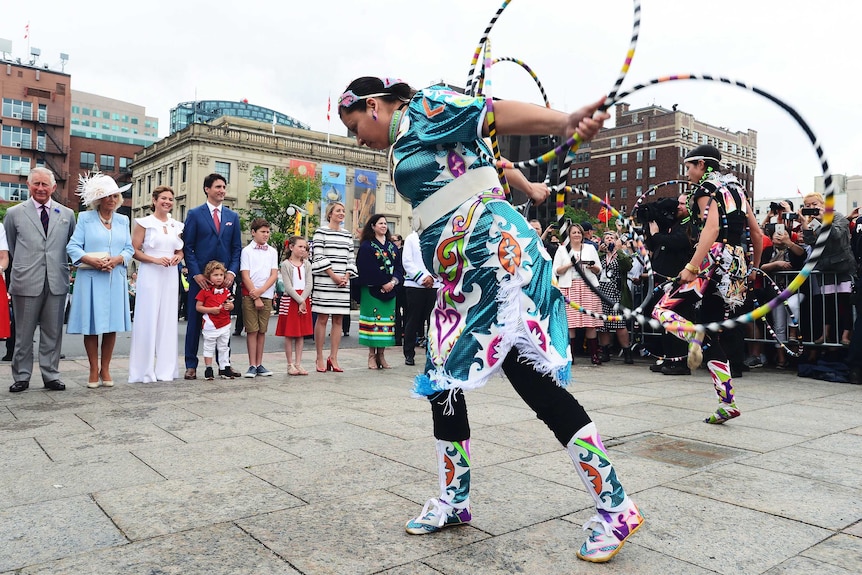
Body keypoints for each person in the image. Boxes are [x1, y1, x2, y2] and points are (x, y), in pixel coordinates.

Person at [338, 76, 642, 563]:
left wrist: (564, 122)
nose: (358, 139)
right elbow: (490, 161)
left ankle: (616, 506)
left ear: (372, 106)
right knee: (441, 382)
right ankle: (454, 500)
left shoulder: (426, 107)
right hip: (461, 276)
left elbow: (492, 113)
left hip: (494, 263)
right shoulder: (408, 139)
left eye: (355, 127)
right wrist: (531, 186)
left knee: (535, 386)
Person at [652, 144, 762, 424]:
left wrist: (691, 267)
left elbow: (711, 229)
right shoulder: (737, 190)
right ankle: (727, 402)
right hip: (736, 265)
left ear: (702, 164)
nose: (687, 172)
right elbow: (757, 234)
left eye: (689, 166)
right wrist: (754, 269)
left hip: (713, 261)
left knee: (662, 310)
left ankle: (695, 337)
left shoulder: (707, 189)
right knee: (714, 333)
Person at [5, 168, 76, 392]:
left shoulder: (67, 214)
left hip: (56, 280)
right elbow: (10, 247)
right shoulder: (14, 213)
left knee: (53, 332)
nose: (41, 189)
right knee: (23, 334)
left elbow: (70, 245)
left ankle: (51, 374)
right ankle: (22, 376)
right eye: (36, 184)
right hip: (26, 280)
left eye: (45, 184)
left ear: (54, 188)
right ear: (29, 185)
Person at [66, 172, 134, 388]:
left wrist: (118, 259)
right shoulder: (85, 218)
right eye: (107, 196)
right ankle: (93, 369)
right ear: (98, 199)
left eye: (115, 196)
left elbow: (129, 248)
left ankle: (106, 368)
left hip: (115, 277)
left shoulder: (123, 220)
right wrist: (91, 260)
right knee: (92, 325)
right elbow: (73, 246)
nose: (112, 200)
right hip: (92, 278)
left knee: (112, 325)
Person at [183, 173, 243, 380]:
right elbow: (187, 247)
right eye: (218, 187)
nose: (222, 190)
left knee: (223, 321)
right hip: (200, 279)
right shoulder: (194, 214)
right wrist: (196, 274)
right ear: (207, 189)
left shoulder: (232, 217)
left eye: (224, 187)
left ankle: (224, 364)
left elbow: (237, 248)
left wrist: (232, 273)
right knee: (195, 321)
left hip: (224, 280)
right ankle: (191, 365)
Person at [128, 185, 185, 383]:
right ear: (154, 200)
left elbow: (179, 249)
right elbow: (134, 250)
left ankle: (166, 370)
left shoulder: (176, 225)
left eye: (170, 199)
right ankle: (143, 371)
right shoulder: (143, 223)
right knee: (147, 318)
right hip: (150, 272)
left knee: (168, 319)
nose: (167, 202)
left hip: (170, 274)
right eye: (163, 198)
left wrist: (178, 257)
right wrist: (154, 260)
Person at [642, 194, 693, 375]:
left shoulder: (690, 224)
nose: (678, 207)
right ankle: (667, 357)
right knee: (664, 321)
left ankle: (679, 362)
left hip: (679, 280)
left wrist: (657, 235)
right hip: (664, 280)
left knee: (676, 320)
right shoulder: (673, 224)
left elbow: (677, 242)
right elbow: (653, 243)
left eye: (682, 203)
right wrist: (651, 228)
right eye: (677, 203)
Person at [798, 192, 855, 347]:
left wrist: (824, 220)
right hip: (826, 267)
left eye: (815, 204)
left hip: (843, 266)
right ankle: (825, 334)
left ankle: (846, 334)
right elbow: (811, 242)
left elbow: (836, 235)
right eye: (808, 205)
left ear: (823, 204)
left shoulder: (838, 217)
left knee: (845, 302)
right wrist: (804, 224)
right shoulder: (813, 222)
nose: (812, 208)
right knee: (828, 303)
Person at [311, 201, 357, 373]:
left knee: (338, 319)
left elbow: (351, 258)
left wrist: (345, 276)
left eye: (343, 211)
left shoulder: (347, 235)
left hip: (343, 283)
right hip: (326, 281)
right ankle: (319, 357)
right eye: (338, 210)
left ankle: (334, 357)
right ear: (330, 213)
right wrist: (333, 276)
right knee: (322, 318)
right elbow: (318, 256)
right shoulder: (320, 232)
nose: (341, 213)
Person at [356, 214, 404, 369]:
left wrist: (393, 282)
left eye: (385, 223)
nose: (384, 226)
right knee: (373, 321)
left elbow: (398, 267)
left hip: (390, 289)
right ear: (373, 226)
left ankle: (381, 355)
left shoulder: (392, 247)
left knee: (387, 322)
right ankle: (371, 355)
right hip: (372, 290)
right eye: (380, 223)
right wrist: (382, 282)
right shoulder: (366, 246)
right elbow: (367, 268)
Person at [553, 223, 604, 365]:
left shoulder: (590, 248)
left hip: (588, 287)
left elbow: (598, 269)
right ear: (569, 235)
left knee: (590, 322)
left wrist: (592, 266)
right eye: (574, 233)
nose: (576, 235)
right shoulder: (562, 250)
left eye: (579, 233)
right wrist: (571, 264)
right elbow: (556, 270)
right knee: (570, 324)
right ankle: (571, 355)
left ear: (583, 235)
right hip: (569, 287)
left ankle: (594, 355)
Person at [239, 218, 279, 378]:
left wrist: (262, 291)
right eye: (262, 231)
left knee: (262, 330)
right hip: (250, 295)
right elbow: (245, 274)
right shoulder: (247, 251)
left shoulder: (272, 251)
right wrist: (255, 294)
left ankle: (260, 363)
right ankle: (252, 364)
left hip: (267, 294)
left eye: (268, 231)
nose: (266, 234)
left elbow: (274, 274)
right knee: (252, 330)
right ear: (253, 232)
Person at [276, 236, 314, 375]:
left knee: (301, 334)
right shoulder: (286, 265)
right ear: (291, 247)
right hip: (291, 299)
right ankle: (289, 363)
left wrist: (303, 299)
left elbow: (309, 284)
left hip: (303, 299)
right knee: (289, 333)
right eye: (300, 246)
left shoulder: (307, 264)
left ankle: (298, 363)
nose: (303, 250)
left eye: (305, 247)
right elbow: (288, 286)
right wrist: (299, 300)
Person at [401, 230, 439, 366]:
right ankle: (409, 353)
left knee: (433, 322)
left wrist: (433, 277)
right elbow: (407, 261)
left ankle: (432, 353)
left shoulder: (436, 235)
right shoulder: (411, 238)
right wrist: (422, 278)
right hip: (415, 285)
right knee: (413, 319)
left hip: (435, 285)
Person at [195, 261, 237, 380]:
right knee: (209, 346)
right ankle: (208, 368)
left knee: (224, 346)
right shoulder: (204, 291)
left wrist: (230, 307)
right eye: (215, 275)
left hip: (224, 323)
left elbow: (231, 303)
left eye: (221, 275)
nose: (219, 278)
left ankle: (225, 367)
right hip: (210, 324)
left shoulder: (226, 291)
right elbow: (198, 307)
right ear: (209, 277)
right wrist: (211, 310)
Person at [596, 231, 634, 364]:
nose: (609, 239)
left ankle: (627, 352)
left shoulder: (620, 255)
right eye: (606, 237)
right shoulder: (600, 255)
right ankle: (605, 351)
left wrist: (618, 250)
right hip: (601, 291)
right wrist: (599, 251)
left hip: (616, 292)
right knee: (602, 325)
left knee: (619, 324)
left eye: (612, 237)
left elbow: (628, 266)